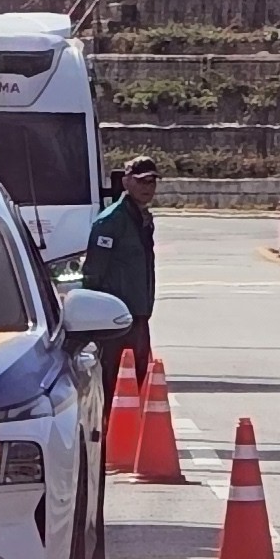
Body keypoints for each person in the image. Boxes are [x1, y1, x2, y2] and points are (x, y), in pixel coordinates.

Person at [78, 155, 159, 413]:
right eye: (142, 181)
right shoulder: (111, 222)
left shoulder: (142, 219)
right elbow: (93, 272)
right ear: (126, 182)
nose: (148, 187)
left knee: (138, 377)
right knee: (116, 383)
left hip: (139, 315)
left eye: (152, 182)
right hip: (115, 321)